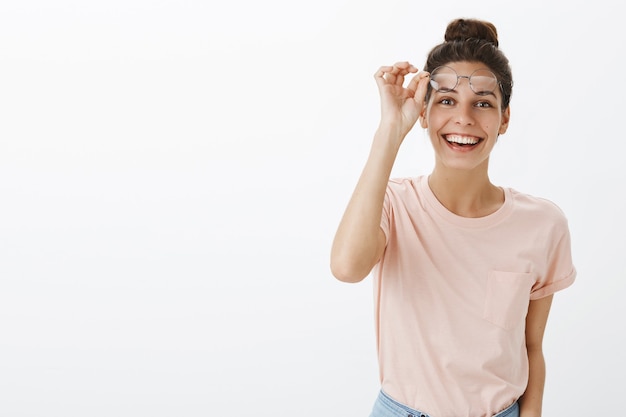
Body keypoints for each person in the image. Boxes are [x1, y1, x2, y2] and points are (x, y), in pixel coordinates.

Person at [330, 18, 576, 417]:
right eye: (446, 100)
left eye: (483, 102)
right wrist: (390, 130)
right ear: (424, 113)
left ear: (505, 119)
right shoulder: (393, 204)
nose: (463, 117)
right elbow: (346, 267)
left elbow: (532, 347)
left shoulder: (544, 224)